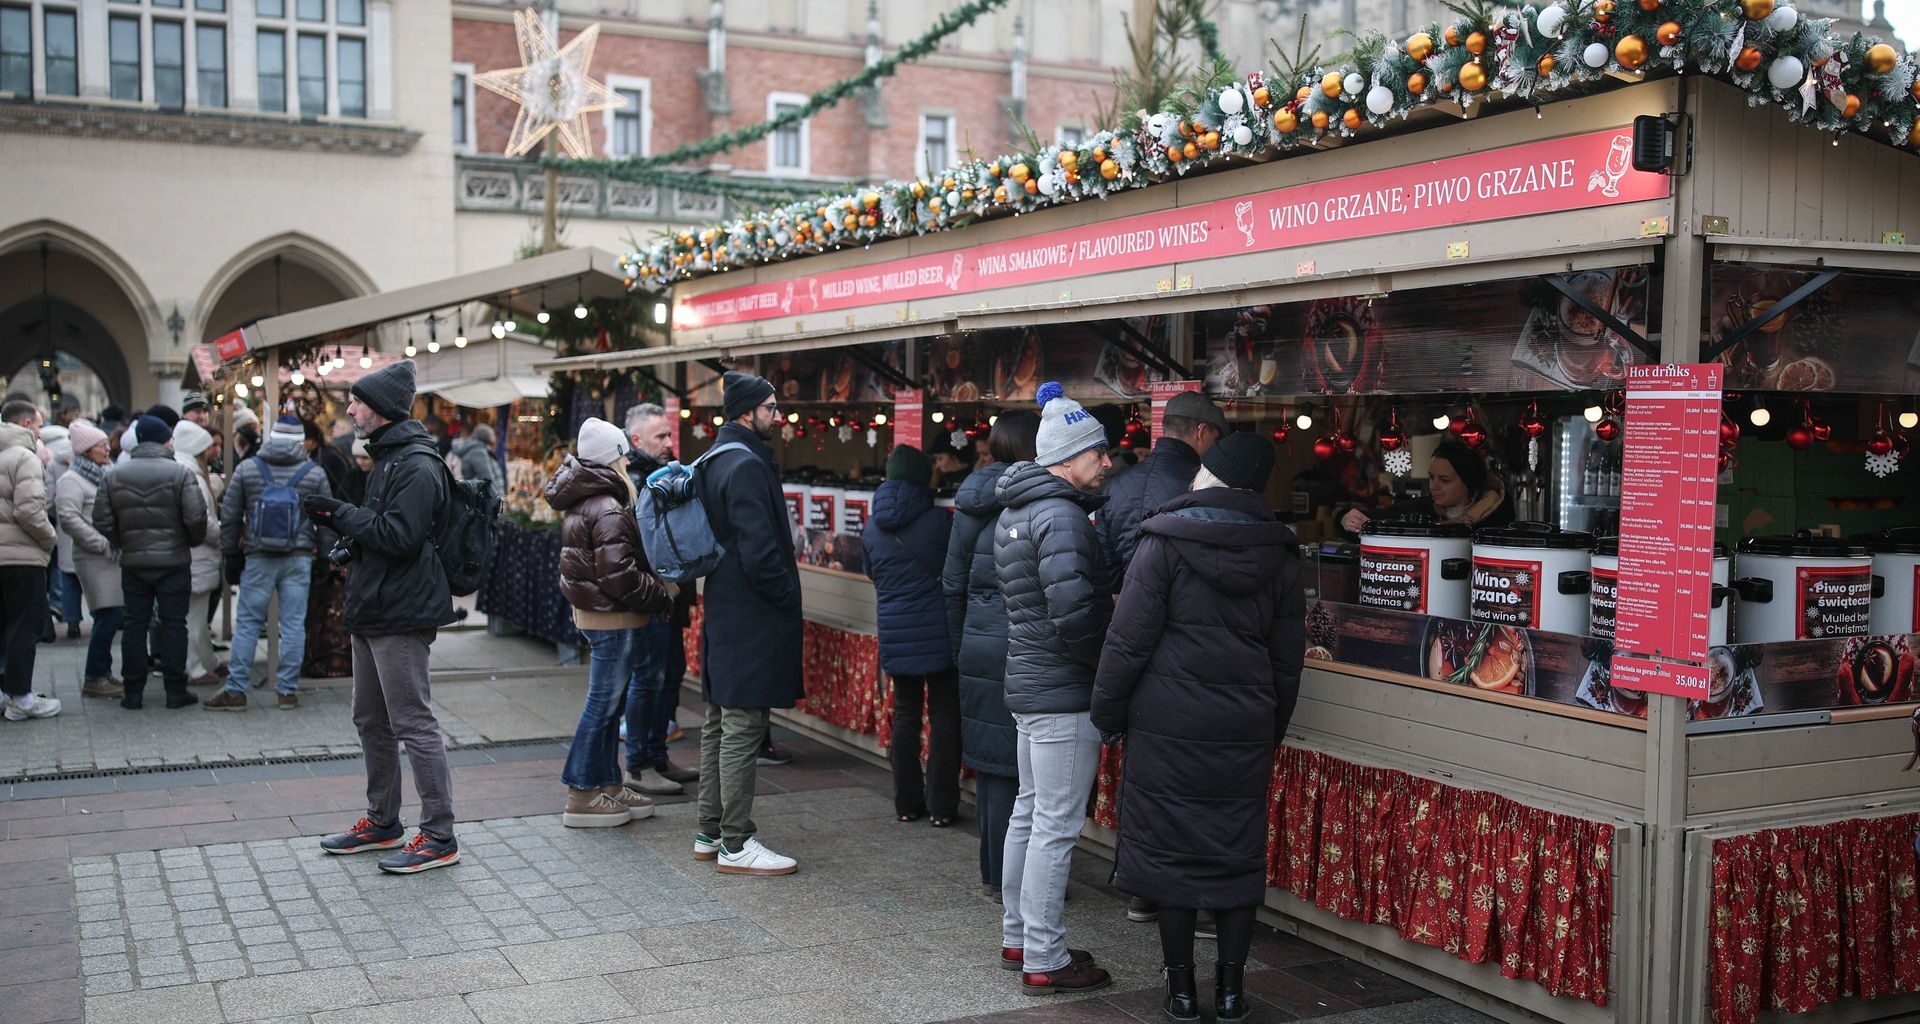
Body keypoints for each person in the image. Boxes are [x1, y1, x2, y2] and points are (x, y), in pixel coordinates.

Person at [1090, 431, 1306, 1024]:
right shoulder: (1283, 555)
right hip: (1243, 724)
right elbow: (1288, 661)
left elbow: (1127, 641)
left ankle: (1181, 993)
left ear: (1207, 475)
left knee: (1171, 858)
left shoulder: (1161, 542)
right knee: (1235, 856)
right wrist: (1271, 729)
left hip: (1166, 720)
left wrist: (1107, 715)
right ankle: (1232, 994)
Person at [302, 359, 463, 874]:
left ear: (385, 410)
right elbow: (381, 530)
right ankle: (383, 821)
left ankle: (439, 834)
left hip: (401, 609)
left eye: (358, 401)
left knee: (412, 722)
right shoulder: (387, 460)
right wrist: (349, 537)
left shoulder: (416, 463)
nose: (349, 409)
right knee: (370, 719)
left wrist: (336, 513)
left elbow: (399, 536)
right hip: (373, 607)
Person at [994, 381, 1114, 993]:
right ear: (1069, 456)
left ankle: (1020, 937)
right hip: (1064, 690)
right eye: (1099, 452)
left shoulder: (1016, 510)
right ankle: (1045, 956)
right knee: (1056, 825)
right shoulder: (1061, 514)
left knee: (1029, 813)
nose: (1108, 462)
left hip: (1029, 682)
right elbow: (1073, 615)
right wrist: (1106, 669)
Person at [691, 371, 803, 876]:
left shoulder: (713, 459)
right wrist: (784, 597)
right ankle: (736, 843)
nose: (777, 417)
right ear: (746, 411)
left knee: (718, 720)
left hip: (722, 604)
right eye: (771, 408)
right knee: (741, 725)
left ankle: (709, 831)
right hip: (752, 612)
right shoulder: (748, 466)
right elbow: (761, 554)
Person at [546, 416, 676, 827]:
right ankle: (582, 790)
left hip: (600, 614)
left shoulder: (590, 498)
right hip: (612, 617)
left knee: (608, 703)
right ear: (616, 458)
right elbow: (618, 574)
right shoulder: (607, 505)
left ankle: (606, 782)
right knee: (602, 705)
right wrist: (661, 593)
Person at [943, 409, 1040, 897]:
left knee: (992, 765)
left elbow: (952, 583)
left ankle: (992, 872)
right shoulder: (1038, 499)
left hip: (980, 646)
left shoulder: (970, 503)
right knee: (1020, 769)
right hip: (1021, 646)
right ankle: (1013, 882)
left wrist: (963, 648)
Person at [861, 444, 959, 826]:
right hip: (938, 634)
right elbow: (955, 572)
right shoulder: (940, 521)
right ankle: (943, 807)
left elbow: (872, 573)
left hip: (896, 633)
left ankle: (906, 804)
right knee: (945, 716)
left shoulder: (871, 526)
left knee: (905, 716)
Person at [207, 415, 334, 711]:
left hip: (258, 557)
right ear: (300, 441)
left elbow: (231, 517)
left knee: (248, 623)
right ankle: (287, 691)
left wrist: (231, 555)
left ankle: (236, 690)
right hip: (298, 557)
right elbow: (327, 519)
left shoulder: (248, 469)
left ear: (271, 437)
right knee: (292, 624)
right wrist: (326, 558)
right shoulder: (313, 473)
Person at [93, 415, 206, 711]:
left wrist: (124, 539)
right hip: (174, 561)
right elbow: (196, 518)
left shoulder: (114, 474)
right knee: (173, 625)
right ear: (164, 440)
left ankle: (133, 692)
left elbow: (101, 519)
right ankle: (174, 690)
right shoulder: (180, 473)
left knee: (134, 625)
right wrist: (186, 541)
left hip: (133, 562)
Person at [622, 403, 700, 796]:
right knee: (647, 679)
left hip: (672, 595)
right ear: (637, 440)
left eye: (670, 435)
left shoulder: (664, 475)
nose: (670, 443)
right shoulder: (633, 480)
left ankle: (657, 756)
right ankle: (638, 765)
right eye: (661, 437)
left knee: (670, 674)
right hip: (651, 597)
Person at [1097, 391, 1228, 594]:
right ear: (1201, 431)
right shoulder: (1201, 486)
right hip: (1184, 613)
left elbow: (1107, 569)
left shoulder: (1115, 485)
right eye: (1215, 437)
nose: (1215, 446)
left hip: (1129, 613)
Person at [1, 400, 60, 720]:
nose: (40, 432)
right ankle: (21, 698)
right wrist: (49, 539)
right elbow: (29, 511)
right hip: (22, 557)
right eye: (38, 425)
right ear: (25, 425)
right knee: (24, 627)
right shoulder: (24, 457)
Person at [57, 420, 124, 700]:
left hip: (111, 555)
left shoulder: (106, 473)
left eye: (106, 443)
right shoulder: (71, 480)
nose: (107, 448)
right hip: (93, 557)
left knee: (110, 614)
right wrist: (101, 543)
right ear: (86, 450)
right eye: (100, 445)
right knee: (108, 614)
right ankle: (94, 676)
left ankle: (102, 672)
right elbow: (70, 519)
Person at [1339, 439, 1514, 536]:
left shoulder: (1494, 518)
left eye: (1444, 480)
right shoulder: (1419, 508)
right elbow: (1375, 518)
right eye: (1431, 477)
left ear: (1468, 483)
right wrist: (1346, 519)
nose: (1434, 486)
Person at [171, 420, 226, 687]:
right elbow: (201, 521)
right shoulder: (191, 474)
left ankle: (206, 661)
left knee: (197, 616)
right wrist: (221, 534)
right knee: (194, 617)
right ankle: (193, 667)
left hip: (192, 555)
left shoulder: (181, 469)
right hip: (198, 555)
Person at [40, 421, 83, 639]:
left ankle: (72, 619)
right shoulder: (93, 459)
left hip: (64, 526)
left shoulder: (53, 463)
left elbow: (48, 500)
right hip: (91, 524)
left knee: (67, 573)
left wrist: (55, 518)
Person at [451, 422, 500, 494]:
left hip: (468, 494)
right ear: (487, 436)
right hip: (476, 498)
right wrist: (497, 498)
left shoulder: (471, 448)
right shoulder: (478, 451)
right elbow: (487, 479)